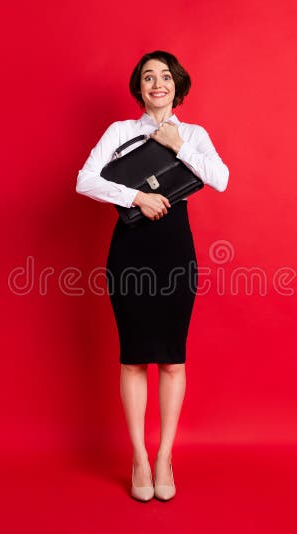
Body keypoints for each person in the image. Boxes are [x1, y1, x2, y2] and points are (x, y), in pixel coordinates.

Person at [75, 50, 229, 501]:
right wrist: (135, 197)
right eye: (148, 78)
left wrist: (178, 144)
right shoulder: (120, 132)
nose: (157, 84)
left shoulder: (194, 133)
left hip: (174, 249)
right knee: (133, 358)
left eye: (165, 77)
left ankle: (165, 456)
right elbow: (84, 180)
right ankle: (139, 457)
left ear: (176, 86)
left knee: (173, 359)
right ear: (139, 88)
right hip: (131, 247)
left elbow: (220, 178)